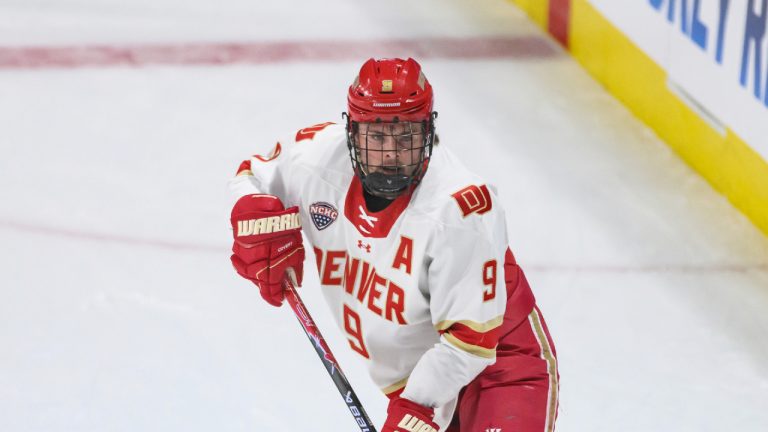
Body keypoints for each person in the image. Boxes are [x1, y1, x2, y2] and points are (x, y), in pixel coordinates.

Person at [229, 57, 559, 432]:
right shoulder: (317, 157)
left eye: (405, 137)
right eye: (377, 136)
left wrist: (414, 413)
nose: (390, 154)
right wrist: (255, 220)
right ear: (351, 131)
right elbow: (251, 176)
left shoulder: (459, 210)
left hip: (498, 368)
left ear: (428, 132)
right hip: (413, 378)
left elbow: (471, 344)